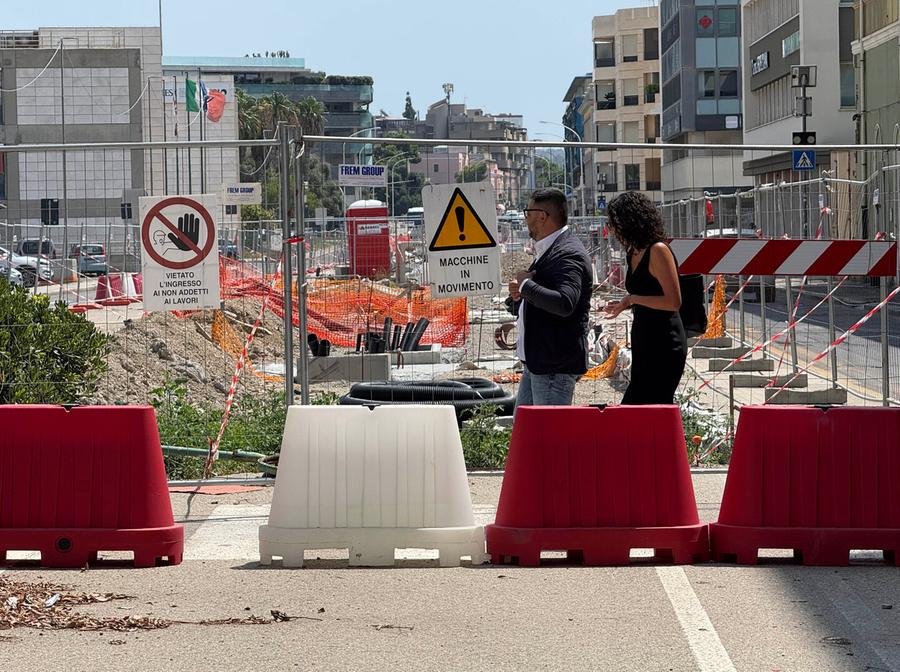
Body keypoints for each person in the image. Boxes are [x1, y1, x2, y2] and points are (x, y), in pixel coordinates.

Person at [507, 188, 593, 407]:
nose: (526, 220)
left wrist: (526, 285)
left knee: (548, 438)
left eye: (528, 213)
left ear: (542, 216)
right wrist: (519, 297)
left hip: (554, 368)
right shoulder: (551, 249)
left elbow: (565, 302)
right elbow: (543, 297)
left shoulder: (567, 253)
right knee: (526, 435)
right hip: (538, 365)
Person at [603, 191, 686, 405]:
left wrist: (632, 300)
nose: (612, 230)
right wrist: (625, 303)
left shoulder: (657, 250)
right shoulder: (633, 252)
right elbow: (642, 293)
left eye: (614, 224)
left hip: (664, 342)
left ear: (630, 221)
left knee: (648, 406)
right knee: (642, 408)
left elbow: (673, 302)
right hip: (644, 339)